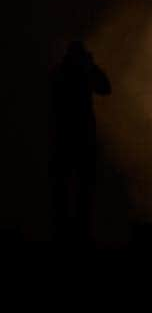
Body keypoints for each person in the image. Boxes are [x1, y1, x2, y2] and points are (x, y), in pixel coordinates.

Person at [50, 41, 111, 244]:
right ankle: (74, 233)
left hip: (69, 136)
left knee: (74, 189)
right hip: (75, 136)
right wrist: (91, 68)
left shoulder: (62, 72)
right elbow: (104, 87)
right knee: (75, 189)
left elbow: (105, 88)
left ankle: (70, 232)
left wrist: (90, 69)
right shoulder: (66, 73)